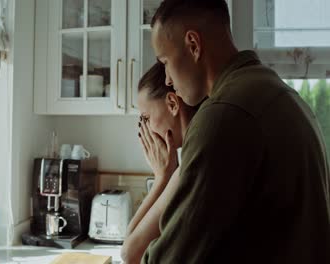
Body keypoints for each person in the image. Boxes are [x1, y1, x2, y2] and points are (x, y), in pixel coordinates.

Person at [142, 0, 330, 263]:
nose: (167, 80)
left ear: (193, 45)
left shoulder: (224, 114)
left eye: (165, 62)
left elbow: (172, 258)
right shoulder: (277, 91)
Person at [121, 62, 202, 264]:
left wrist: (162, 177)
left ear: (173, 104)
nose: (146, 128)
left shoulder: (191, 163)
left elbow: (130, 254)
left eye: (146, 117)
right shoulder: (194, 152)